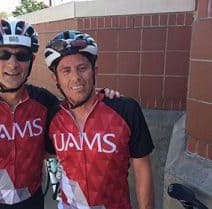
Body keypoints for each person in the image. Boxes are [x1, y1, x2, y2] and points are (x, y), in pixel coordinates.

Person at [0, 18, 118, 209]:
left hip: (32, 202)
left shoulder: (45, 102)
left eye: (21, 56)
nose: (13, 64)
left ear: (32, 60)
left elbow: (78, 109)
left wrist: (97, 95)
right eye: (3, 54)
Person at [44, 30, 155, 209]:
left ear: (94, 71)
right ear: (54, 78)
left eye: (82, 68)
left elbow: (142, 169)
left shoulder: (125, 109)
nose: (76, 77)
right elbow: (44, 152)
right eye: (66, 70)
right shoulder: (53, 115)